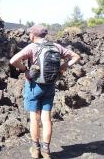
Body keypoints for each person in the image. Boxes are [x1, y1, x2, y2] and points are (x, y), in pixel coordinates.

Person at [9, 24, 80, 159]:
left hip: (34, 87)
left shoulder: (32, 47)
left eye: (30, 34)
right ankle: (46, 151)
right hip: (50, 86)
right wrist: (62, 68)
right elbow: (76, 57)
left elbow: (13, 60)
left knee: (34, 118)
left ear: (33, 35)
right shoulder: (56, 46)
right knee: (46, 118)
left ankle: (36, 150)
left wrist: (25, 70)